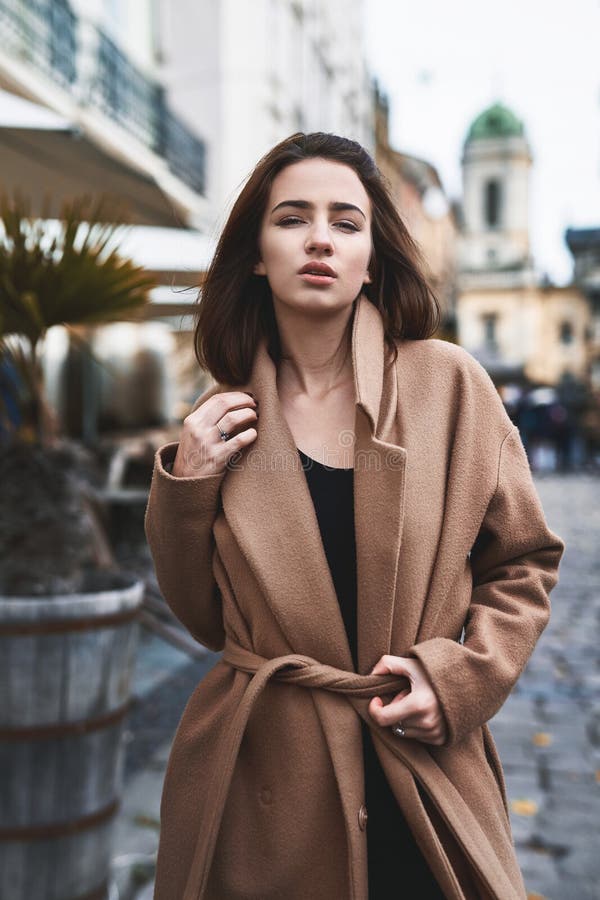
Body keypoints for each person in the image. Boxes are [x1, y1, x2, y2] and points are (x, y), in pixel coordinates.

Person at [144, 132, 565, 900]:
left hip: (422, 763)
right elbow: (204, 619)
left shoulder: (448, 385)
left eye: (346, 221)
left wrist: (462, 681)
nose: (319, 240)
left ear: (374, 254)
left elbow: (523, 560)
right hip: (266, 779)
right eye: (291, 219)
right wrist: (188, 483)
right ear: (256, 254)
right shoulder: (222, 416)